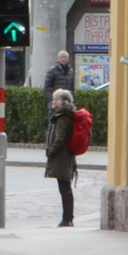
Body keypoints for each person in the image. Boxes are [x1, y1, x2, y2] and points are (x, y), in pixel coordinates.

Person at [45, 87, 78, 226]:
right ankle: (68, 217)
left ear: (62, 102)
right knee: (65, 187)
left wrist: (50, 151)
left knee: (64, 188)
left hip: (62, 157)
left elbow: (60, 138)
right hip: (64, 156)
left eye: (56, 99)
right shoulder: (65, 115)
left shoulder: (62, 118)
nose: (53, 101)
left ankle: (67, 218)